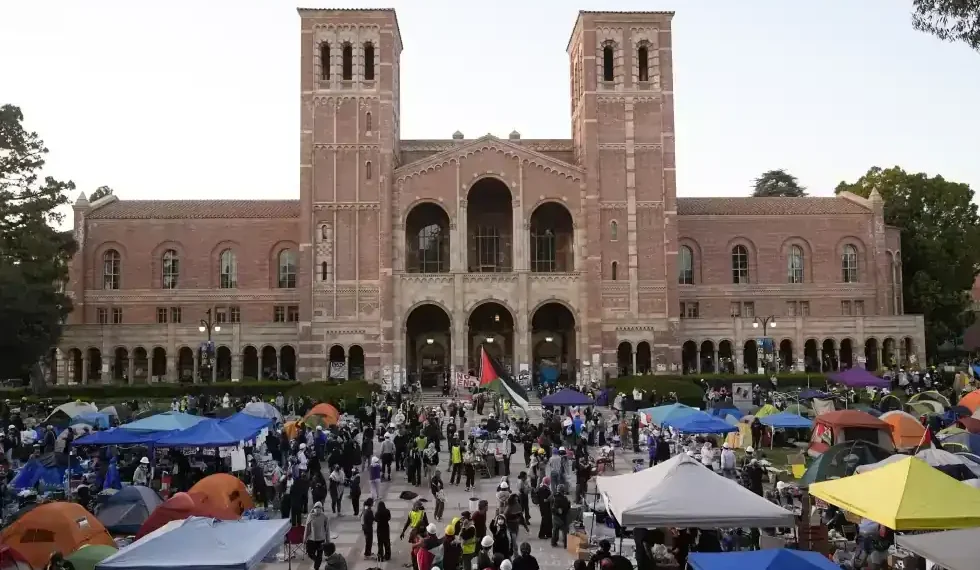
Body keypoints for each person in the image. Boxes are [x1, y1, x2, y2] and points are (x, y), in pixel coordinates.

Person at [304, 502, 330, 570]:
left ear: (321, 508)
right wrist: (305, 538)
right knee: (309, 553)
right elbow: (307, 528)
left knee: (319, 555)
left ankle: (316, 567)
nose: (317, 509)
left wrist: (328, 541)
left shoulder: (324, 517)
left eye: (319, 507)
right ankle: (317, 561)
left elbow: (327, 530)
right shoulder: (310, 516)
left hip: (321, 540)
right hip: (311, 539)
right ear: (314, 508)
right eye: (316, 507)